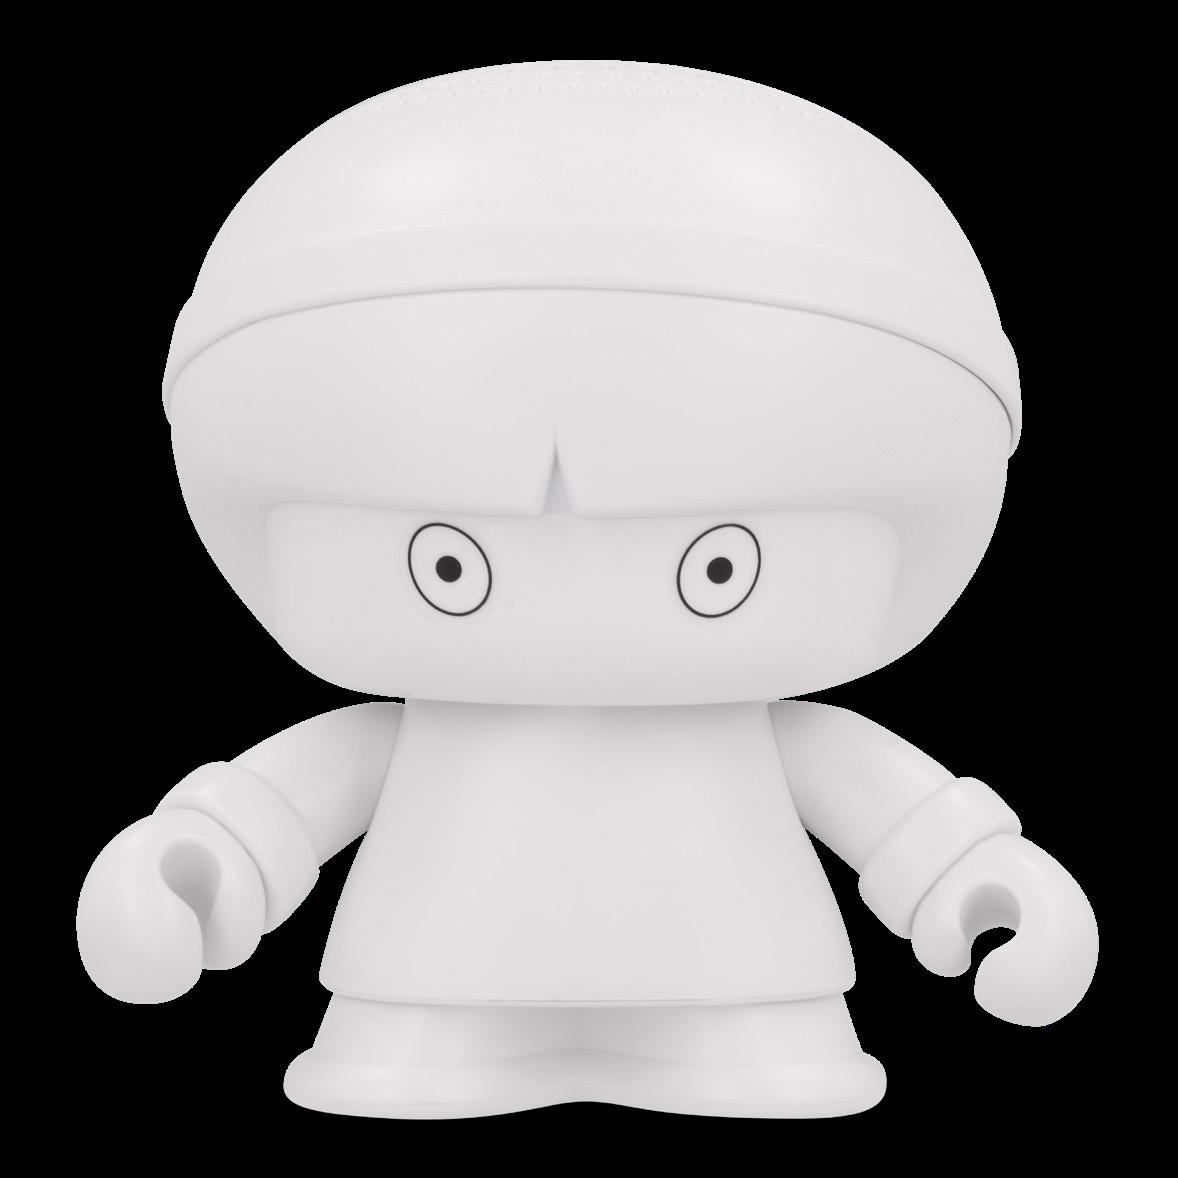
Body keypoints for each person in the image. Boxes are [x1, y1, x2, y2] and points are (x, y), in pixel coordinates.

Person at [77, 61, 1097, 1118]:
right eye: (446, 566)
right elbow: (282, 804)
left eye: (718, 567)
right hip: (429, 988)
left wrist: (968, 867)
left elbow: (889, 808)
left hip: (742, 990)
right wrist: (208, 851)